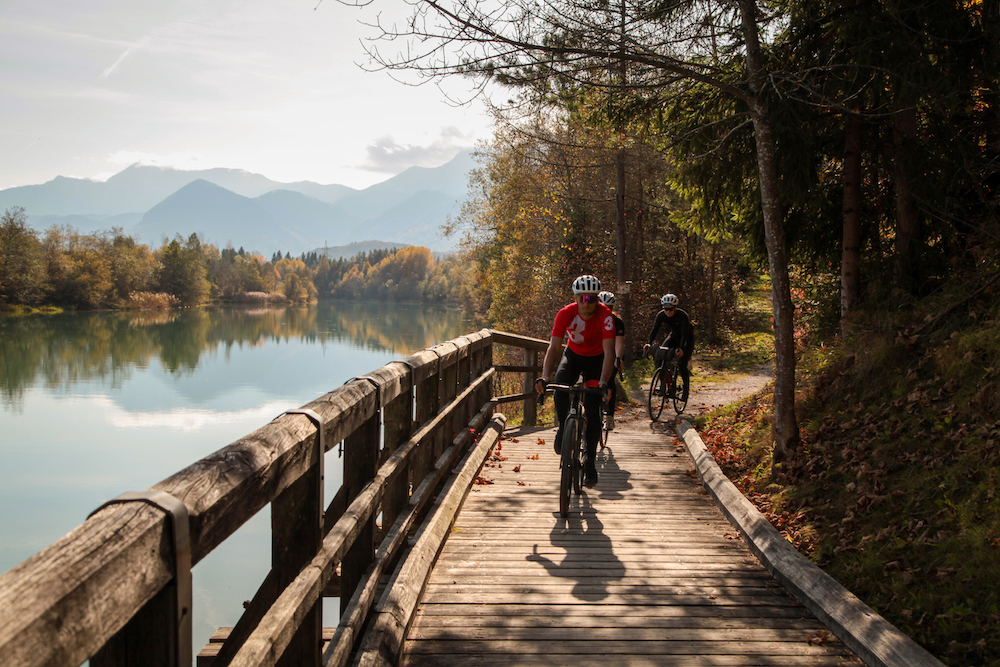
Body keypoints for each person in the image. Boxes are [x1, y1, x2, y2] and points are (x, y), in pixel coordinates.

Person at [534, 275, 616, 487]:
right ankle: (563, 427)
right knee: (560, 388)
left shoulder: (605, 316)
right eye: (583, 298)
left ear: (597, 299)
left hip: (596, 360)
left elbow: (609, 352)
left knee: (592, 407)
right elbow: (553, 347)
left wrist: (604, 382)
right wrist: (545, 377)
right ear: (576, 298)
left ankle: (589, 461)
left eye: (592, 298)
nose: (587, 303)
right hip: (573, 355)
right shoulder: (565, 314)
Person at [642, 293, 694, 401]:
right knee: (661, 356)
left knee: (682, 363)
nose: (668, 312)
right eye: (666, 309)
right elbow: (654, 330)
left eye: (670, 309)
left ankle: (685, 390)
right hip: (674, 336)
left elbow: (685, 335)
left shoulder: (682, 316)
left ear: (675, 308)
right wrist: (649, 343)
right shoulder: (661, 315)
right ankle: (664, 385)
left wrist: (681, 349)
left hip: (686, 339)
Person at [598, 291, 625, 430]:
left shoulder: (617, 322)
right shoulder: (592, 318)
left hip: (612, 353)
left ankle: (609, 416)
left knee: (610, 381)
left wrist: (618, 358)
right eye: (603, 306)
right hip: (596, 353)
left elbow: (619, 343)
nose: (606, 310)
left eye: (610, 307)